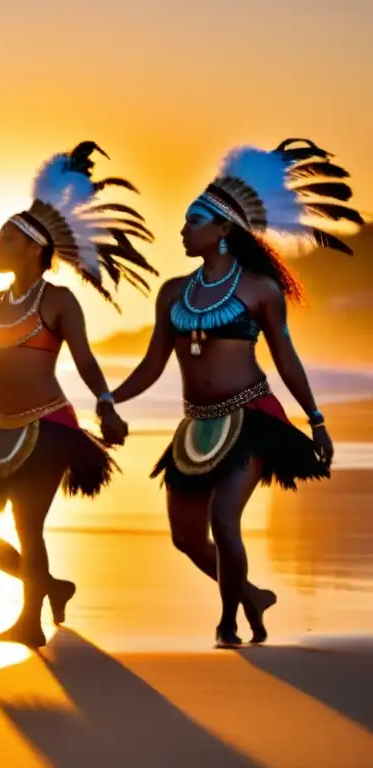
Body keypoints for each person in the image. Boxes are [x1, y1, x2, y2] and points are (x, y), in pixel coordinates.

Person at [111, 138, 361, 647]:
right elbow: (154, 362)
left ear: (223, 229)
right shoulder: (173, 292)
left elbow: (285, 357)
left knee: (224, 519)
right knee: (185, 537)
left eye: (193, 221)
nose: (182, 230)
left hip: (252, 418)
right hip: (196, 424)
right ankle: (251, 593)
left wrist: (315, 420)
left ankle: (229, 623)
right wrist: (109, 399)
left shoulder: (260, 290)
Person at [0, 142, 158, 648]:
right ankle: (49, 585)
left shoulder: (59, 300)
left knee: (29, 526)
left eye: (5, 239)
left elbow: (86, 360)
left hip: (49, 428)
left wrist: (107, 405)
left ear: (33, 247)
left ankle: (29, 623)